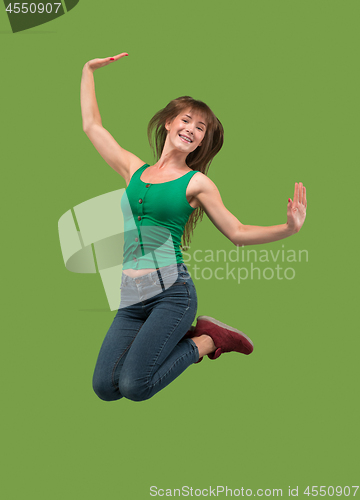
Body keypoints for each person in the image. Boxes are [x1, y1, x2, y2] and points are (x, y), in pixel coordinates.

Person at [81, 52, 307, 402]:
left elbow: (237, 232)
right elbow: (92, 126)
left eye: (200, 129)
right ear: (170, 123)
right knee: (105, 387)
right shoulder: (133, 170)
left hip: (172, 294)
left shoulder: (196, 184)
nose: (192, 130)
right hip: (132, 297)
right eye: (187, 121)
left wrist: (288, 228)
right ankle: (189, 337)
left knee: (135, 386)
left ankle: (206, 340)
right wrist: (88, 70)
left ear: (201, 142)